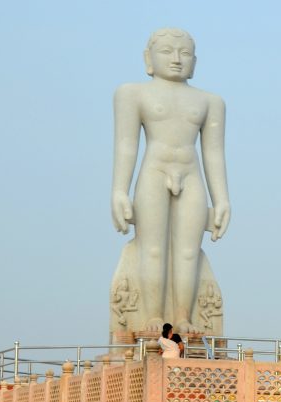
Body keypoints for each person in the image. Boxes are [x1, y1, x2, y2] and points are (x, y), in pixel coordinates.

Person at [111, 28, 230, 334]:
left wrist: (222, 200)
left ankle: (183, 316)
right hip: (154, 171)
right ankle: (153, 316)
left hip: (191, 174)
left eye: (185, 53)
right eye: (166, 51)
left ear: (194, 61)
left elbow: (214, 153)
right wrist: (119, 190)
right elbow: (126, 145)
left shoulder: (210, 101)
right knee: (151, 247)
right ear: (148, 59)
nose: (177, 59)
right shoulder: (132, 93)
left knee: (189, 250)